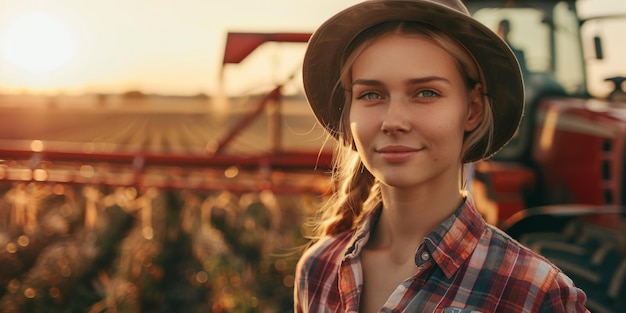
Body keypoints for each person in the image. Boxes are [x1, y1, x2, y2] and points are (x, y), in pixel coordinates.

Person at [293, 0, 589, 312]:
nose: (393, 121)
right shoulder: (317, 271)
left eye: (426, 93)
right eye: (371, 94)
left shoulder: (534, 293)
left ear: (472, 109)